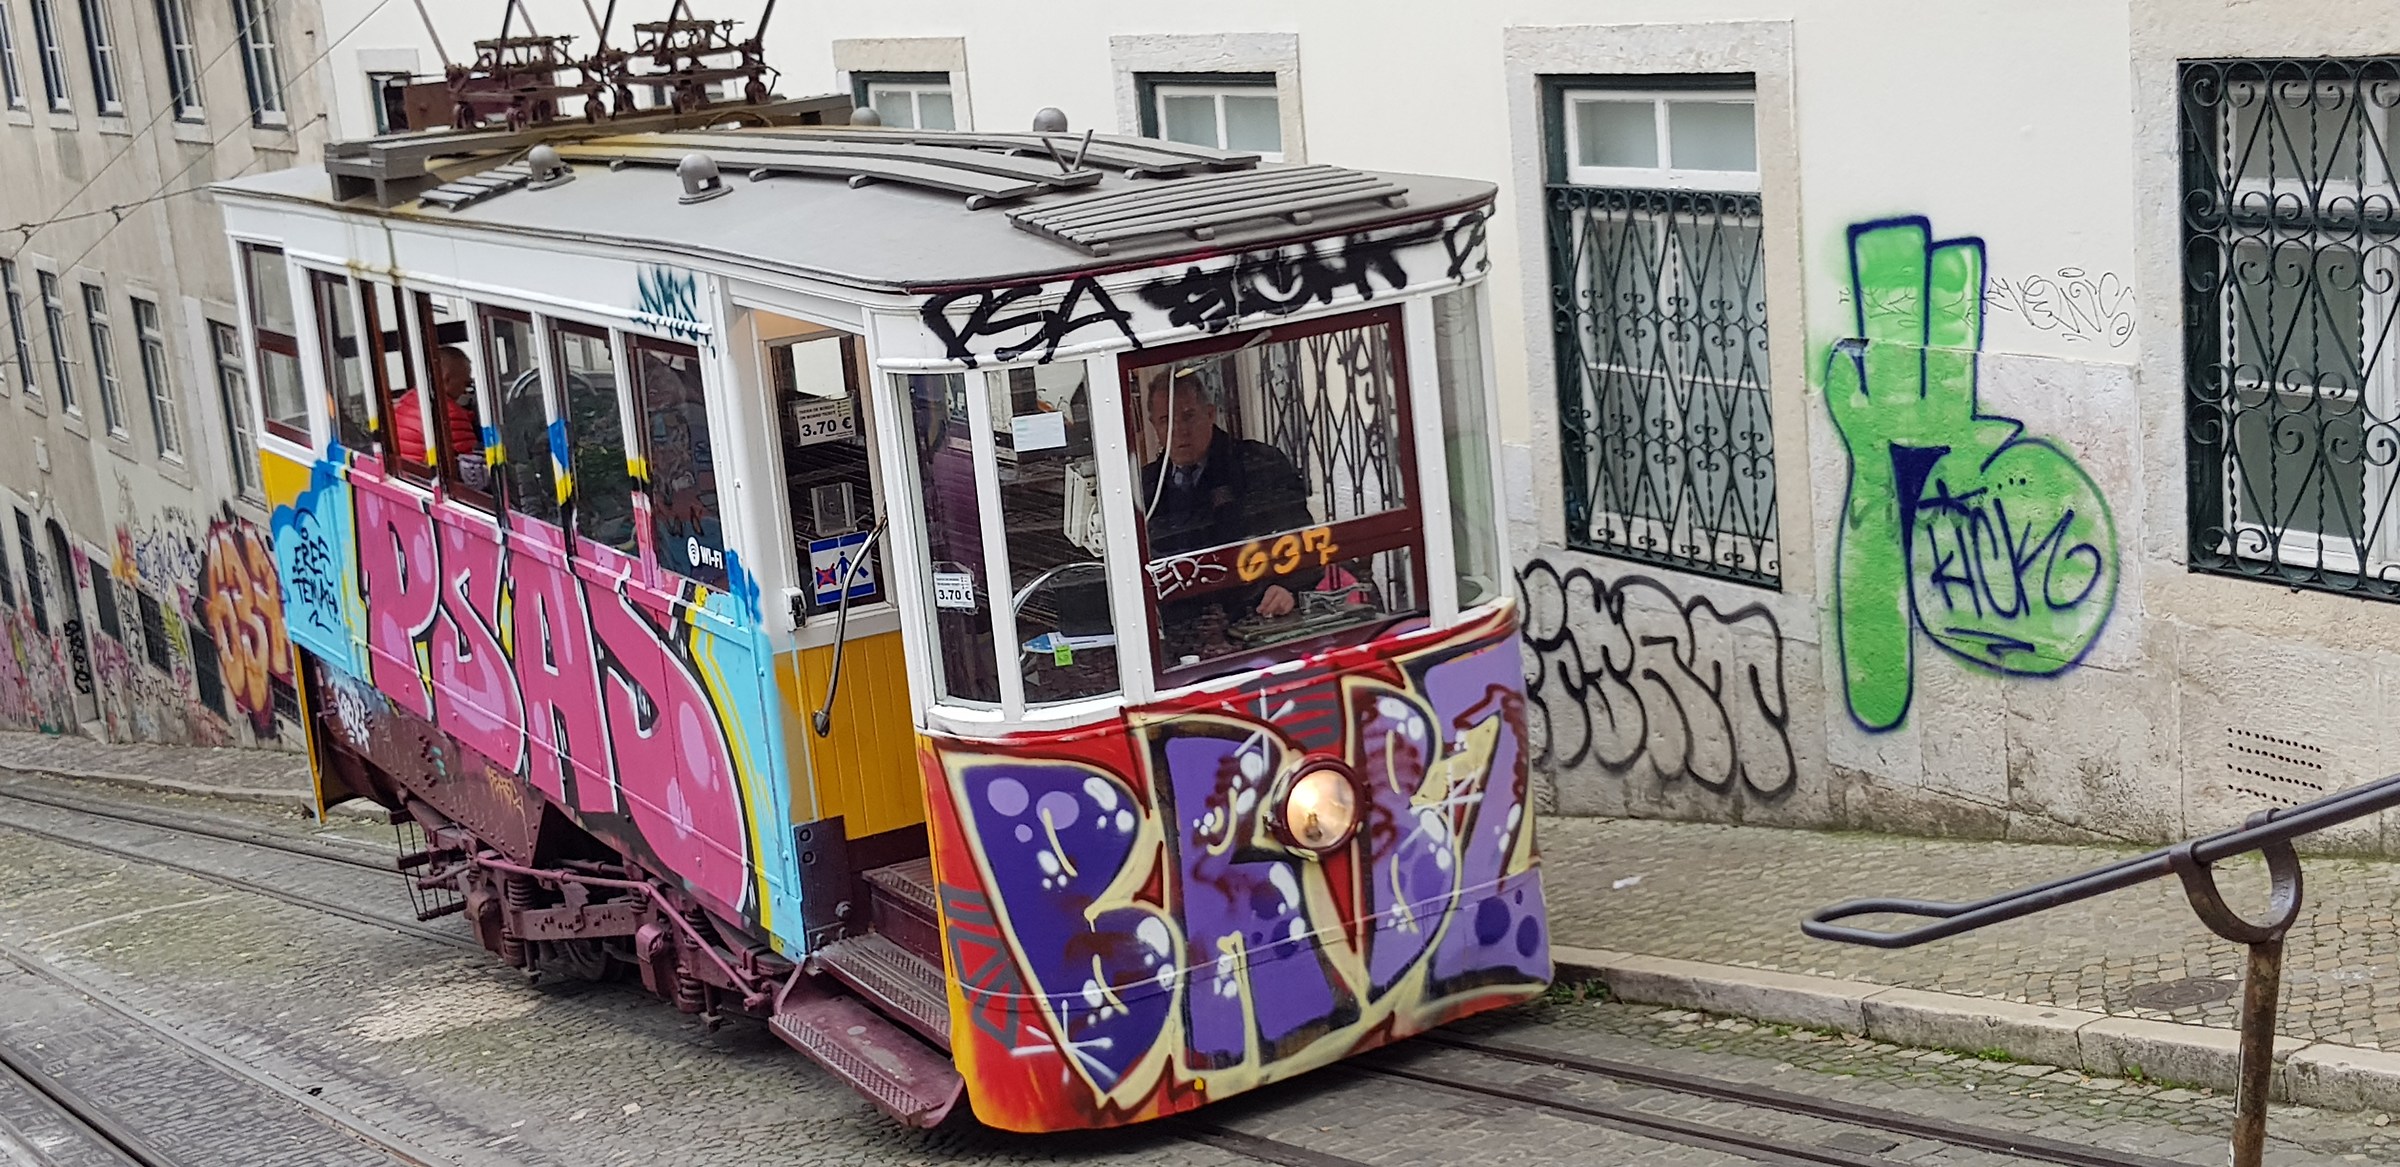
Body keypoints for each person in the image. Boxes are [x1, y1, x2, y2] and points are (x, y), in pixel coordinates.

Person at [1138, 366, 1320, 621]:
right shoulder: (1144, 487)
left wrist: (1289, 587)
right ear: (1154, 426)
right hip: (1180, 628)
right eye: (1166, 420)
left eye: (1189, 416)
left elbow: (1304, 541)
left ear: (1210, 414)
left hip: (1257, 616)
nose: (1179, 430)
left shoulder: (1259, 465)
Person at [391, 347, 484, 486]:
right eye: (466, 383)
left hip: (407, 482)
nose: (465, 390)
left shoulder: (406, 401)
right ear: (446, 379)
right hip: (430, 486)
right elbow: (473, 469)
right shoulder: (450, 414)